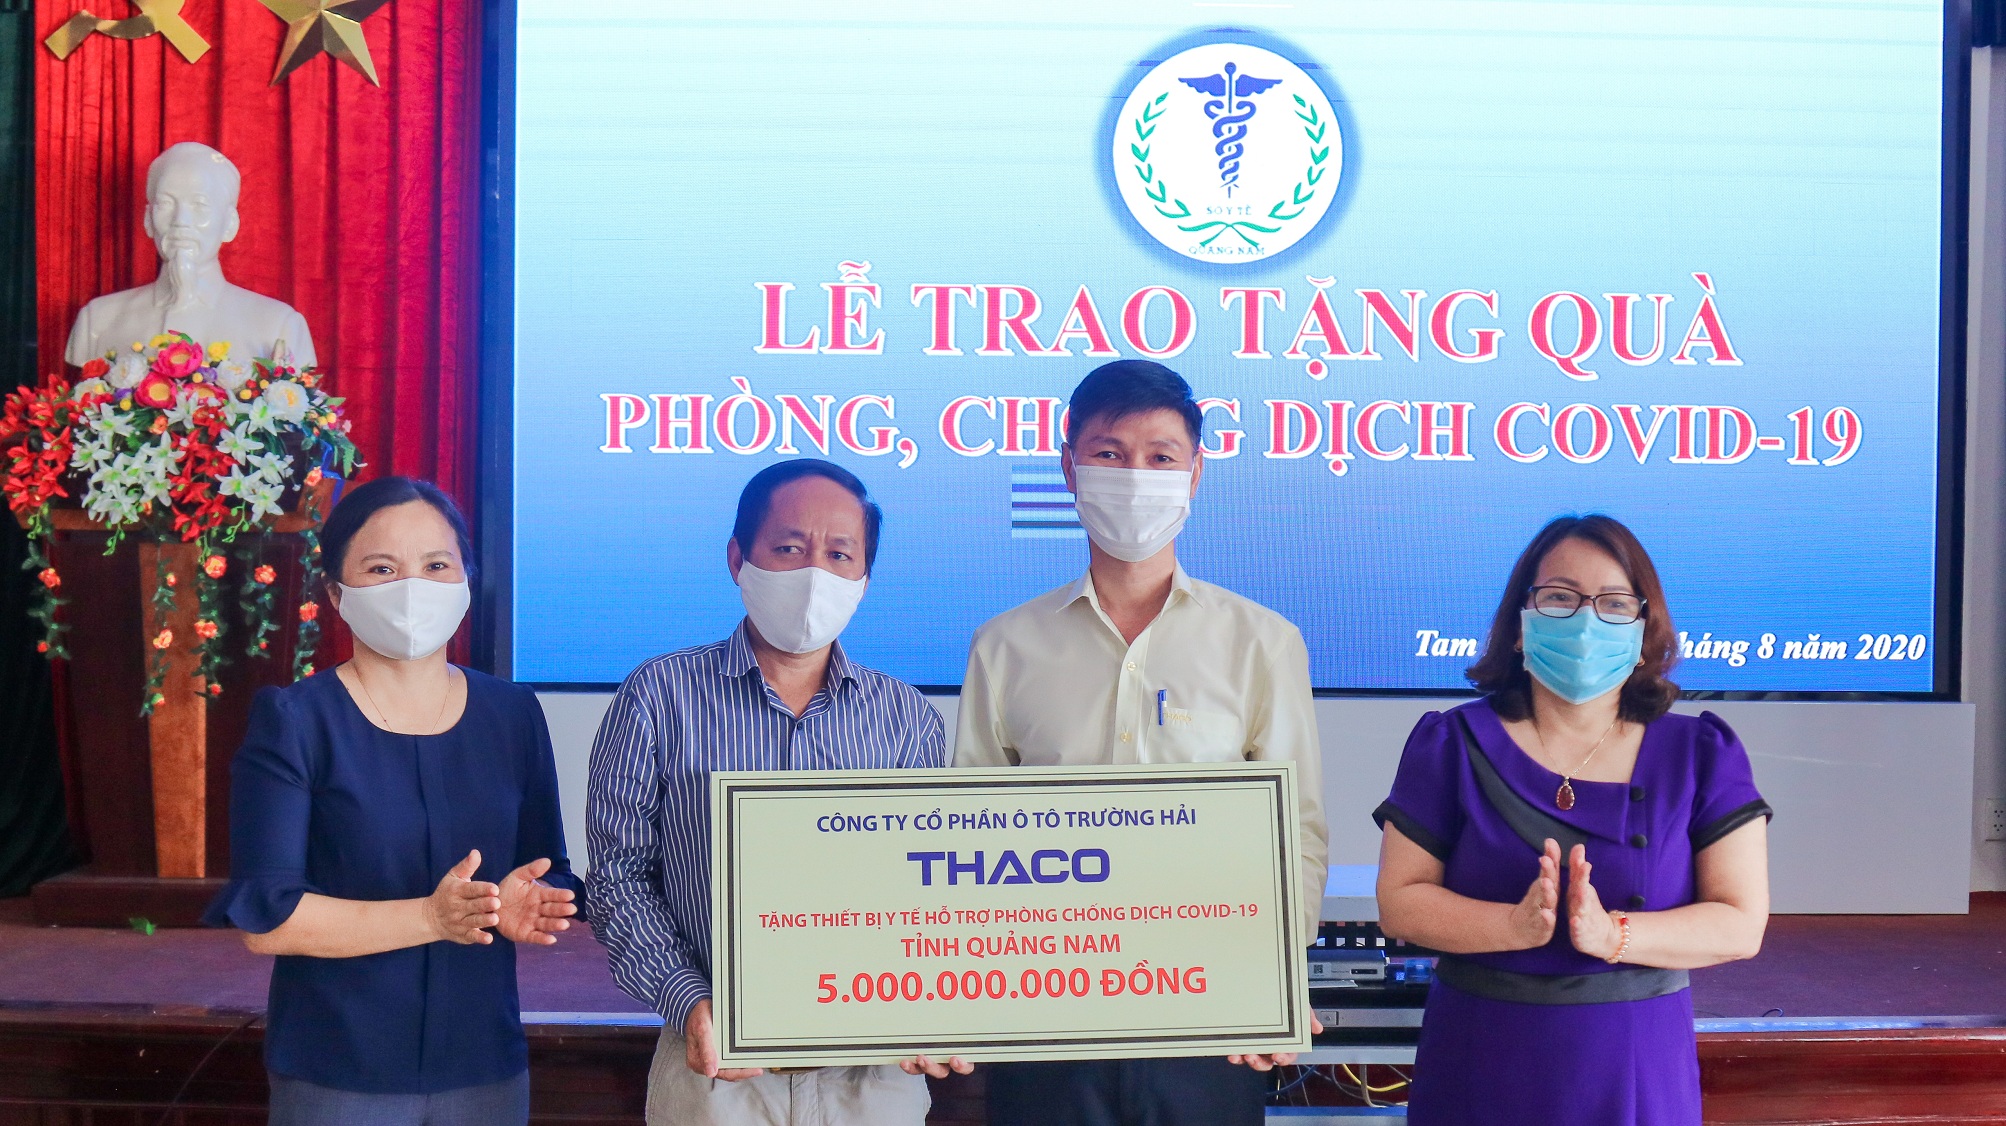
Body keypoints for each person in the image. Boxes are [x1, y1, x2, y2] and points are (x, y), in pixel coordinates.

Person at [955, 359, 1329, 1126]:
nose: (1135, 476)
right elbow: (967, 834)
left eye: (1161, 456)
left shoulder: (1262, 643)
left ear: (1196, 473)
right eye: (1110, 452)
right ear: (1069, 467)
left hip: (1209, 1014)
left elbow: (1295, 835)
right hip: (1046, 1017)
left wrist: (1274, 981)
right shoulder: (1004, 646)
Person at [586, 458, 965, 1126]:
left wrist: (936, 1000)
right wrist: (689, 1002)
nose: (815, 573)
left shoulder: (905, 718)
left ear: (864, 578)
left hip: (872, 1073)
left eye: (839, 554)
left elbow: (934, 889)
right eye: (789, 548)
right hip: (714, 1066)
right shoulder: (659, 696)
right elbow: (619, 880)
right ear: (738, 559)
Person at [203, 475, 580, 1125]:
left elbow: (549, 868)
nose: (413, 588)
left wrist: (527, 902)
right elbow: (268, 920)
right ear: (335, 594)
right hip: (340, 1067)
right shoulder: (296, 721)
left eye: (436, 566)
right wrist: (430, 918)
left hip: (483, 1063)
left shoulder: (513, 714)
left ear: (466, 580)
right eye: (382, 569)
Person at [1372, 514, 1772, 1125]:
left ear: (1644, 632)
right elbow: (1401, 903)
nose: (1585, 622)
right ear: (1518, 624)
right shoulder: (1448, 743)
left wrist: (1613, 936)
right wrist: (1512, 925)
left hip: (1635, 1062)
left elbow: (1740, 924)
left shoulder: (1701, 754)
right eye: (1560, 598)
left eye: (1613, 603)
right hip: (1480, 1055)